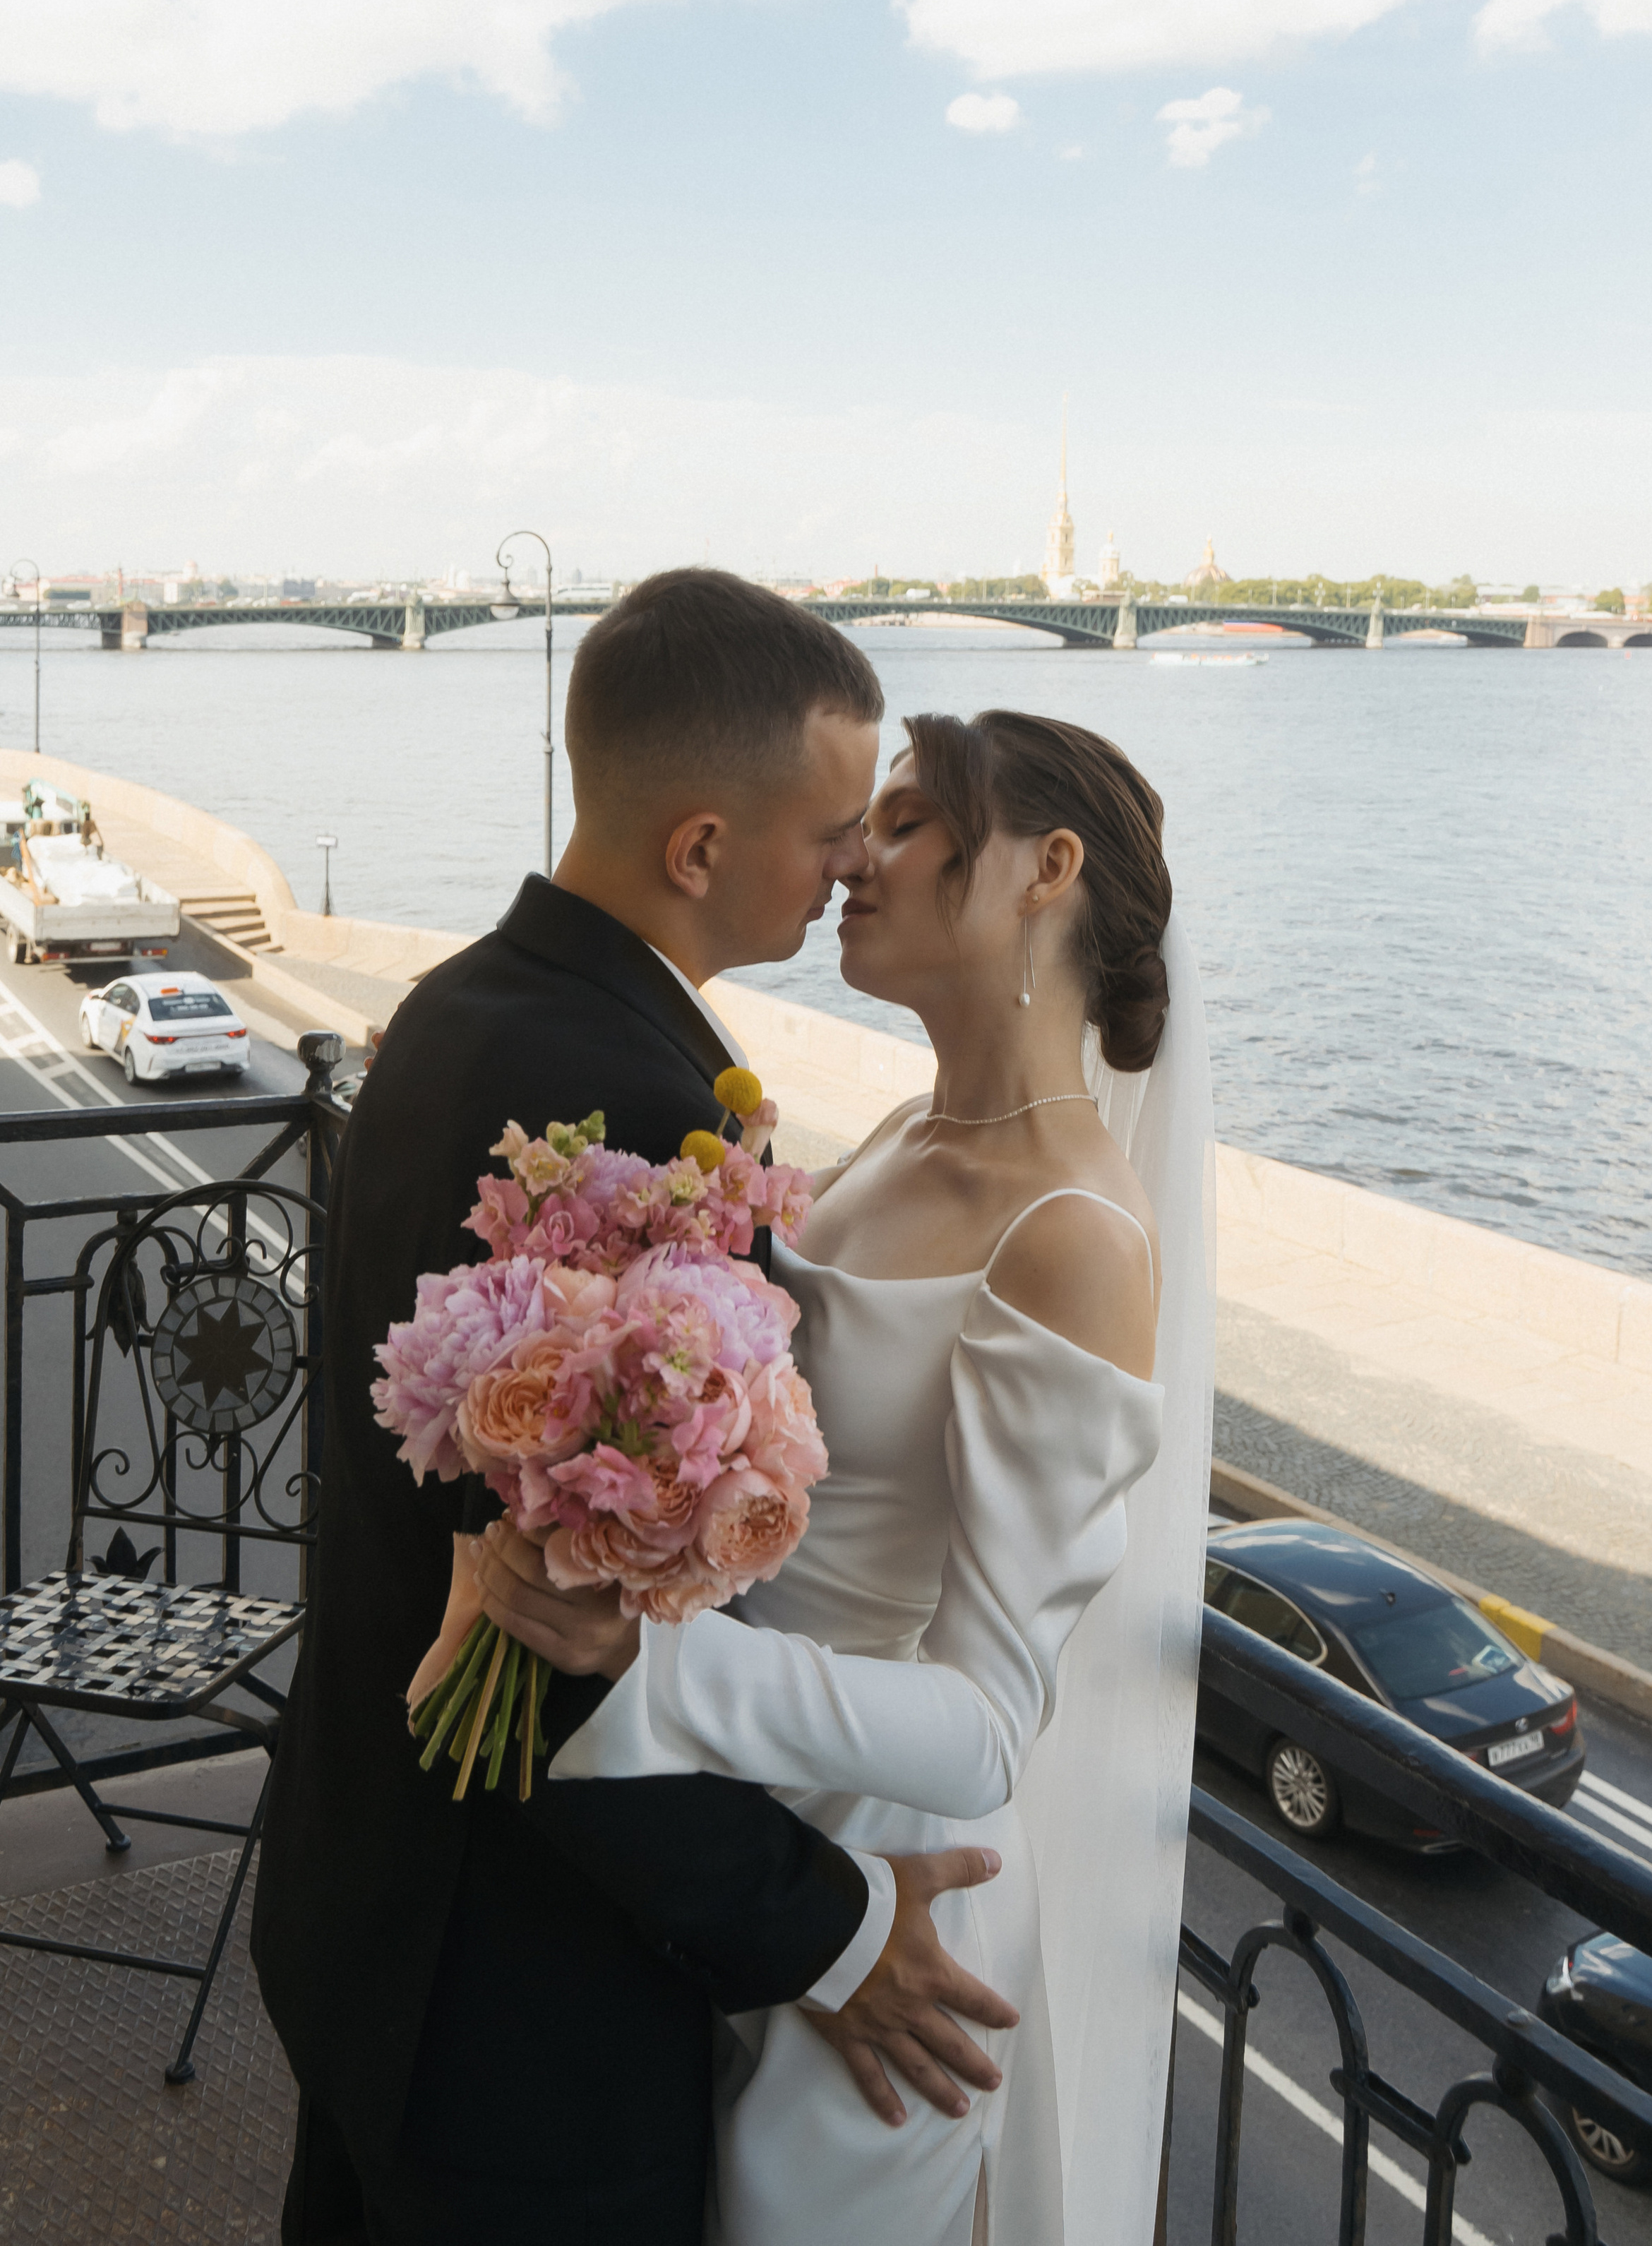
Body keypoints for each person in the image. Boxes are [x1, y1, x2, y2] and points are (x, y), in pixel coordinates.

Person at [253, 575, 1017, 2246]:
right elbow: (557, 1622)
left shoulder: (462, 1006)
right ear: (699, 848)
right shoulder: (634, 1109)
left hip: (366, 1883)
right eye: (831, 830)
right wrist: (826, 1932)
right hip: (512, 1995)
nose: (851, 866)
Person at [506, 707, 1215, 2246]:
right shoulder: (898, 1135)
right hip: (725, 1839)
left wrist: (650, 1665)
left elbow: (988, 1726)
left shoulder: (1074, 1238)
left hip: (885, 1895)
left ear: (1046, 868)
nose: (851, 862)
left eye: (903, 824)